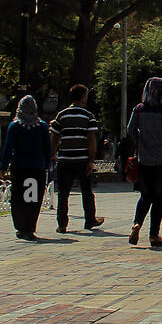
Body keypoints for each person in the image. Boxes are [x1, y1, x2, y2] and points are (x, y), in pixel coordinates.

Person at [126, 77, 162, 247]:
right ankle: (154, 235)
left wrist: (141, 140)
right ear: (161, 94)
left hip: (144, 159)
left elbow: (129, 130)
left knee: (145, 195)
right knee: (158, 197)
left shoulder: (139, 109)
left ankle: (136, 224)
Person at [50, 84, 105, 233]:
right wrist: (91, 160)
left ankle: (62, 224)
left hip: (65, 159)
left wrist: (53, 154)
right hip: (82, 159)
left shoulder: (61, 115)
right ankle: (89, 220)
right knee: (86, 191)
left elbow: (54, 137)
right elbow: (91, 139)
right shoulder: (88, 116)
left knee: (63, 193)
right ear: (82, 97)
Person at [0, 95, 52, 240]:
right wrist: (46, 166)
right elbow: (47, 149)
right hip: (36, 168)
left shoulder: (15, 126)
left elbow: (8, 148)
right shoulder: (42, 126)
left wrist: (3, 167)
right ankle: (30, 227)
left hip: (19, 167)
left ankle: (21, 227)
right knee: (32, 198)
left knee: (18, 199)